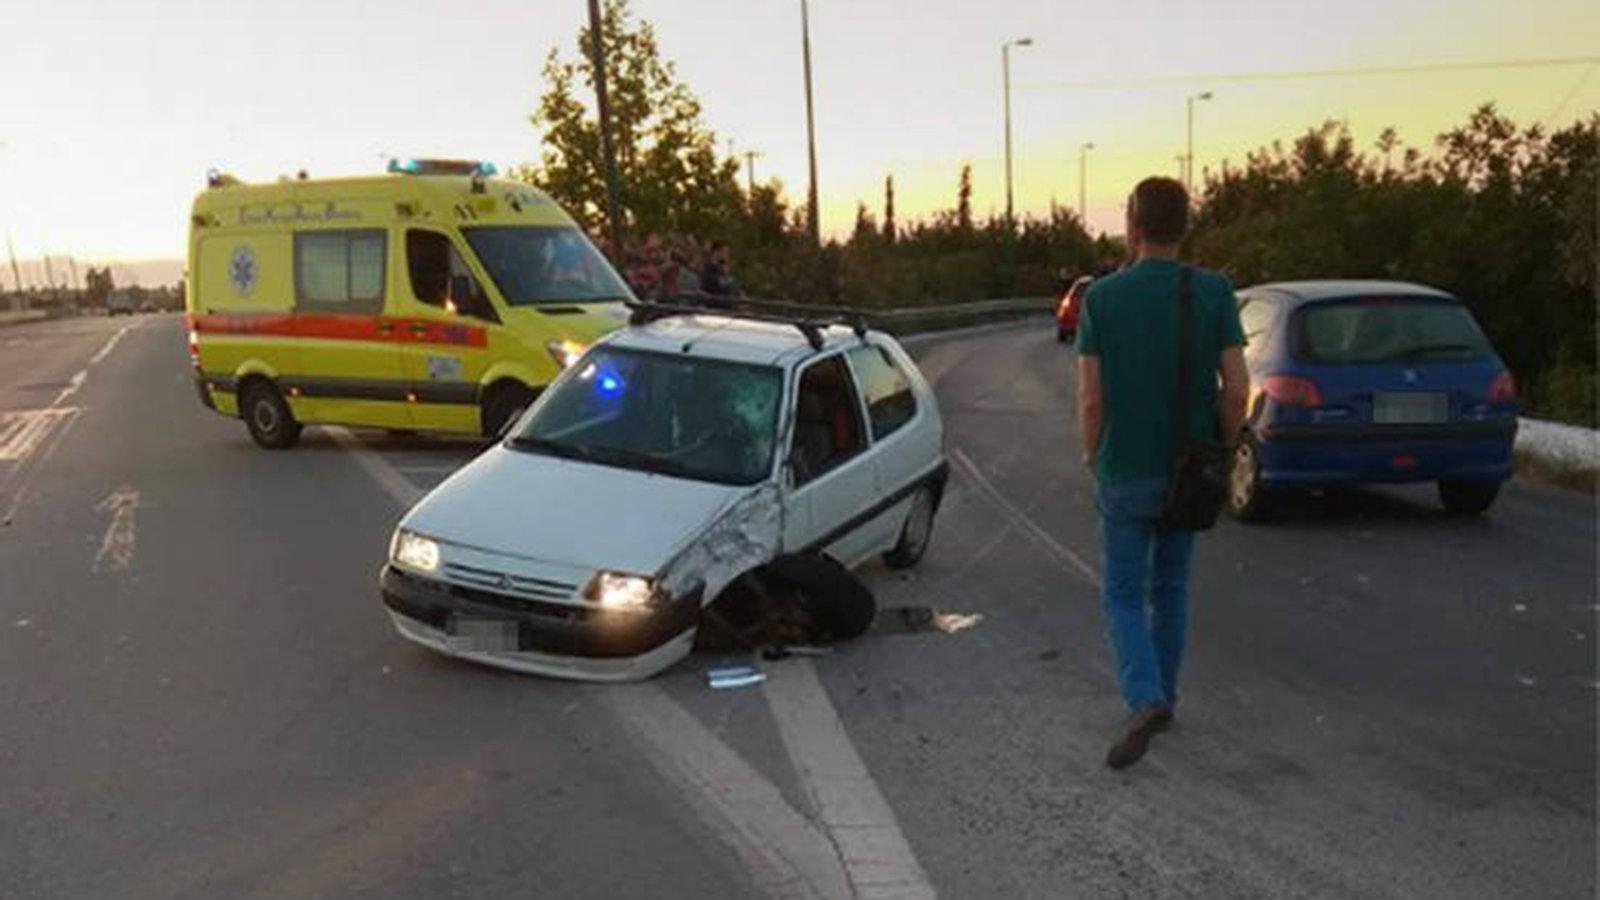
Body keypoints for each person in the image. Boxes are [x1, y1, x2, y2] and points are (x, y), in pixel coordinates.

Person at [1074, 176, 1249, 770]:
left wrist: (1091, 453)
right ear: (1185, 226)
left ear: (1133, 225)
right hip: (1189, 469)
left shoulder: (1101, 299)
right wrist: (1225, 451)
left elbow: (1092, 400)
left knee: (1123, 592)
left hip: (1125, 467)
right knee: (1171, 586)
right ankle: (1166, 698)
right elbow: (1237, 390)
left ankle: (1143, 697)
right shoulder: (1215, 291)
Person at [700, 241, 737, 306]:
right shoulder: (709, 270)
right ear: (716, 252)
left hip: (728, 307)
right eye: (724, 252)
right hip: (715, 307)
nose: (727, 255)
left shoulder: (724, 270)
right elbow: (716, 285)